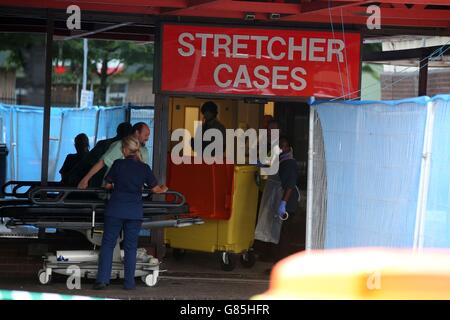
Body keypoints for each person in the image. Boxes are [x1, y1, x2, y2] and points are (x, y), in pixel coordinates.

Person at [93, 135, 168, 290]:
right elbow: (156, 190)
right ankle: (129, 283)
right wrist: (164, 188)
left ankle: (102, 281)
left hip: (115, 210)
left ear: (125, 149)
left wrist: (114, 186)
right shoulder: (144, 168)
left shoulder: (118, 164)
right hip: (134, 212)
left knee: (107, 245)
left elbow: (107, 185)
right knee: (130, 247)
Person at [78, 122, 151, 189]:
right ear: (137, 132)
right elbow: (102, 162)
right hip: (115, 191)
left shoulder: (145, 151)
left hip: (136, 194)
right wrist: (85, 179)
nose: (147, 138)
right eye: (146, 135)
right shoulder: (120, 145)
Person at [67, 122, 132, 187]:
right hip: (100, 182)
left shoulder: (103, 144)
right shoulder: (128, 147)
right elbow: (93, 161)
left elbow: (87, 161)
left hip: (95, 182)